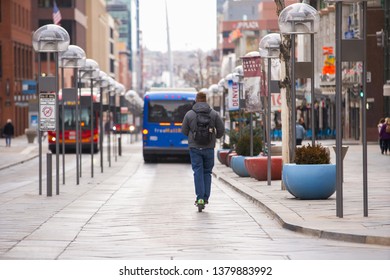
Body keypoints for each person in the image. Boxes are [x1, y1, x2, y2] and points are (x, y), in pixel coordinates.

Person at [181, 91, 225, 210]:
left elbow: (184, 131)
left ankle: (199, 198)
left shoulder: (189, 114)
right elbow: (221, 129)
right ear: (206, 100)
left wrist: (192, 134)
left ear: (196, 100)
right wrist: (214, 137)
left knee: (198, 172)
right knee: (207, 172)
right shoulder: (213, 113)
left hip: (195, 148)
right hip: (209, 148)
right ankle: (205, 198)